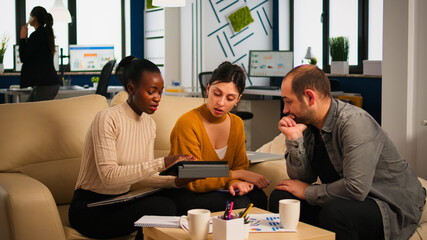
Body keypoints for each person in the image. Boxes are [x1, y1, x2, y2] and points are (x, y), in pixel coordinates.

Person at [269, 65, 426, 240]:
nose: (285, 110)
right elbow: (303, 178)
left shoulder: (354, 123)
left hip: (387, 202)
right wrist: (294, 139)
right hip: (344, 199)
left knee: (335, 212)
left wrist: (307, 192)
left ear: (309, 97)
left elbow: (356, 188)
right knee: (282, 198)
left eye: (288, 101)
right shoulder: (308, 123)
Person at [68, 56, 196, 239]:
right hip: (90, 208)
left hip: (122, 200)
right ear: (131, 88)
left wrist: (175, 182)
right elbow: (109, 177)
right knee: (163, 207)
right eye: (152, 91)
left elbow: (143, 176)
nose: (158, 98)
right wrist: (163, 163)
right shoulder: (106, 118)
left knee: (183, 197)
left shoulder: (149, 124)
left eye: (160, 92)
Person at [168, 61, 268, 214]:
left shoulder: (237, 124)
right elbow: (192, 178)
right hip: (187, 192)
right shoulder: (187, 123)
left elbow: (240, 165)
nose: (221, 103)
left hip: (219, 188)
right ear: (208, 89)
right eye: (217, 93)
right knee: (241, 202)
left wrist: (235, 182)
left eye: (230, 98)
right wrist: (236, 175)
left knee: (259, 197)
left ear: (238, 99)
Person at [19, 6, 60, 102]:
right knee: (28, 108)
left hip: (46, 84)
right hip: (49, 83)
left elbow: (24, 57)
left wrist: (22, 38)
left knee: (33, 112)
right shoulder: (45, 34)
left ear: (34, 18)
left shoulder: (37, 35)